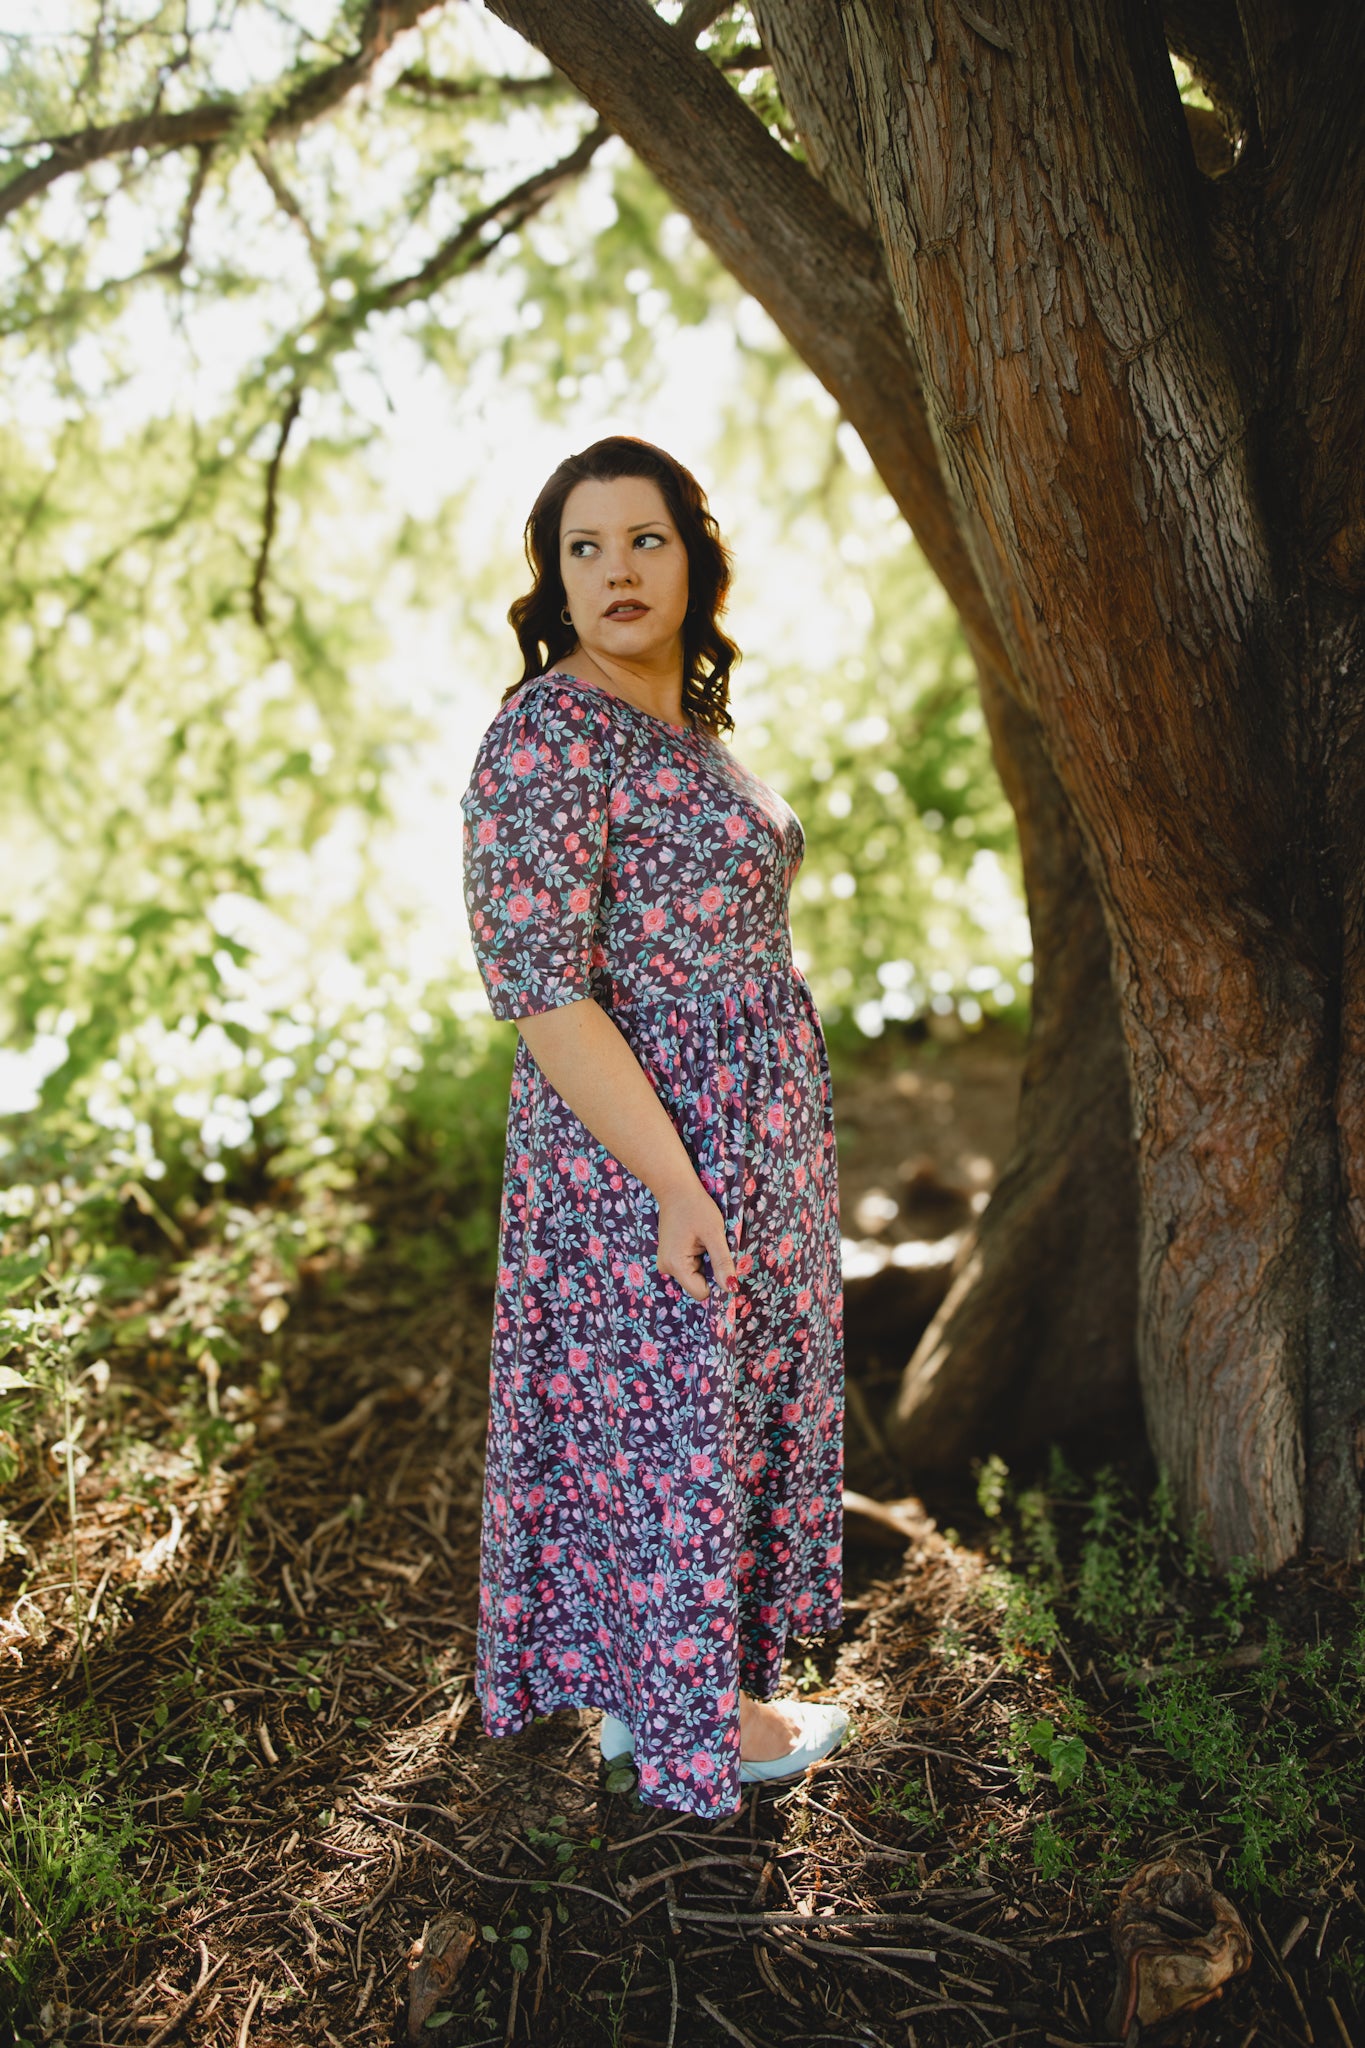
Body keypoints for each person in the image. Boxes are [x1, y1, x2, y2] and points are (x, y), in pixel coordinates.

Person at [459, 433, 847, 1818]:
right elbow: (545, 993)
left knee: (707, 1408)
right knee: (670, 1416)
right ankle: (703, 1727)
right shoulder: (546, 736)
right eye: (583, 547)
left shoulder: (683, 725)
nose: (615, 570)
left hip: (747, 1124)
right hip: (641, 1142)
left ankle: (660, 1700)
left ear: (692, 556)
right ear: (550, 579)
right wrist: (677, 1185)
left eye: (644, 540)